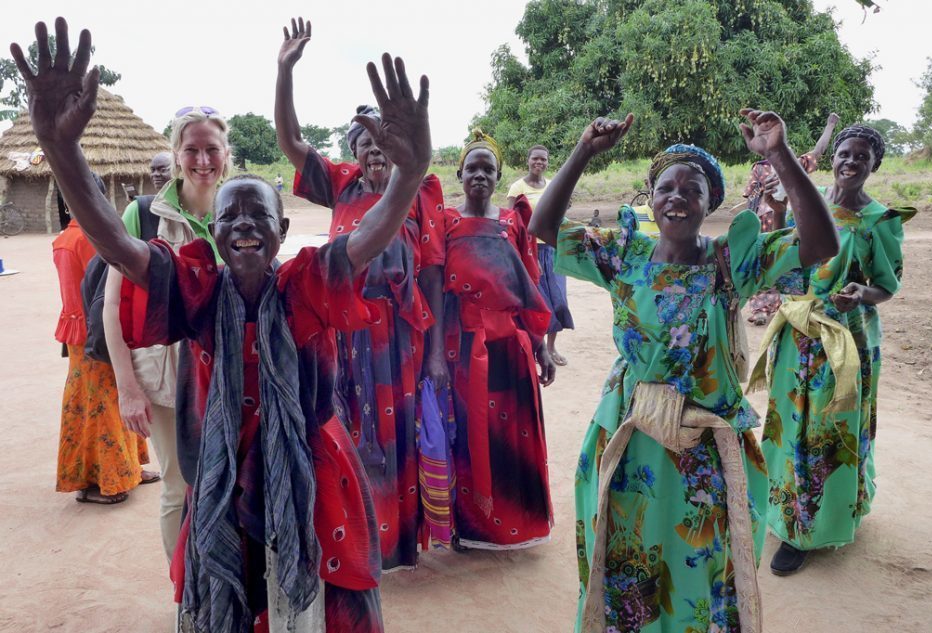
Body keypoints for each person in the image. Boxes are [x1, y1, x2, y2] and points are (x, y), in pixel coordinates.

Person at [16, 18, 431, 631]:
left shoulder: (307, 286)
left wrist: (410, 172)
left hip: (312, 480)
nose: (243, 225)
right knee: (227, 602)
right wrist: (60, 149)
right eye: (231, 216)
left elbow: (366, 238)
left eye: (258, 215)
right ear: (214, 231)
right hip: (223, 480)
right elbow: (119, 248)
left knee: (318, 609)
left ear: (282, 231)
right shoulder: (199, 290)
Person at [530, 110, 839, 632]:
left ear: (709, 202)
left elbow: (821, 245)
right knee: (625, 563)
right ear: (650, 197)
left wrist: (779, 155)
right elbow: (543, 228)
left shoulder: (730, 264)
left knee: (702, 565)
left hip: (703, 447)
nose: (677, 197)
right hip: (628, 436)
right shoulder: (623, 254)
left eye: (692, 189)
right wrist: (583, 150)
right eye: (666, 188)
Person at [275, 18, 448, 570]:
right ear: (354, 151)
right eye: (365, 144)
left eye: (383, 143)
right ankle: (349, 542)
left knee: (395, 436)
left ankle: (394, 546)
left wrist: (437, 353)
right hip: (342, 340)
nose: (375, 152)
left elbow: (431, 276)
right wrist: (285, 70)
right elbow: (291, 143)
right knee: (343, 431)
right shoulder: (342, 185)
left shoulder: (420, 193)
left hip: (397, 342)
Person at [754, 124, 914, 576]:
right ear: (834, 157)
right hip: (798, 332)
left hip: (847, 339)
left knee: (830, 428)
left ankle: (813, 527)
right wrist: (778, 214)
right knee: (790, 422)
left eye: (862, 156)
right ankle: (787, 514)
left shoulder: (880, 221)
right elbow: (786, 258)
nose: (851, 162)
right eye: (845, 153)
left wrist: (861, 294)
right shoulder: (810, 201)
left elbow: (886, 286)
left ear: (874, 165)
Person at [104, 108, 232, 561]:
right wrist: (127, 388)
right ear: (177, 154)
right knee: (178, 487)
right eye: (191, 149)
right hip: (165, 380)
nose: (203, 160)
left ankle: (222, 585)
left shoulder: (238, 210)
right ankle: (185, 591)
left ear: (226, 154)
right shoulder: (143, 216)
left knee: (230, 482)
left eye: (211, 149)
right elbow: (112, 305)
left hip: (229, 375)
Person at [441, 130, 556, 551]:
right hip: (463, 351)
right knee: (466, 436)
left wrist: (540, 344)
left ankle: (516, 525)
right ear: (459, 174)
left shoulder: (513, 223)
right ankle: (471, 528)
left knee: (511, 439)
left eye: (487, 169)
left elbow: (529, 285)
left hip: (509, 349)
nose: (479, 175)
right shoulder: (445, 222)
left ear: (498, 176)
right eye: (472, 168)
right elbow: (433, 287)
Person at [52, 172, 154, 504]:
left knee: (107, 399)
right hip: (94, 333)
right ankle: (103, 480)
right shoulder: (90, 240)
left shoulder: (70, 238)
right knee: (103, 404)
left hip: (83, 330)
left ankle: (127, 469)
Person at [743, 112, 839, 326]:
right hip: (764, 220)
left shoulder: (795, 166)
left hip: (791, 222)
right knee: (764, 260)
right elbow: (752, 197)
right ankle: (761, 308)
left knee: (787, 261)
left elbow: (818, 151)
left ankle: (782, 304)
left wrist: (830, 126)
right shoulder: (759, 168)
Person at [507, 144, 574, 366]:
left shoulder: (554, 186)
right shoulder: (517, 188)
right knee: (540, 302)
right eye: (535, 158)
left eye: (543, 159)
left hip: (553, 249)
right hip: (530, 250)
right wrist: (527, 255)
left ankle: (552, 347)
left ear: (547, 162)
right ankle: (542, 349)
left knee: (559, 301)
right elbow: (513, 222)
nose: (539, 162)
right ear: (528, 160)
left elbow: (558, 216)